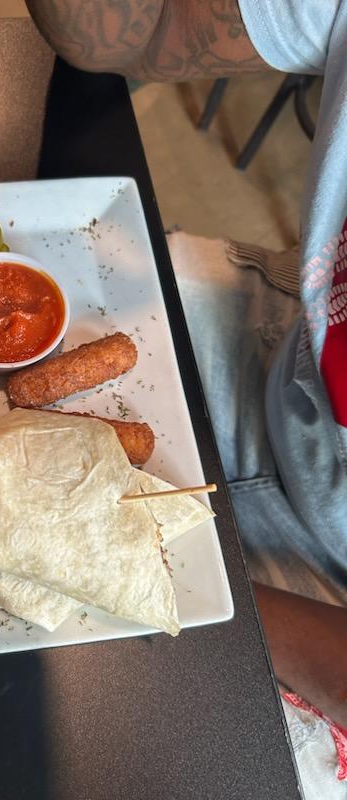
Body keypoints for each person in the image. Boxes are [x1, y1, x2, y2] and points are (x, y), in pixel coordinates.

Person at [25, 0, 347, 754]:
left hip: (324, 601)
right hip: (284, 357)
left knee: (104, 714)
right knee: (45, 266)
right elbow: (147, 28)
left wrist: (184, 579)